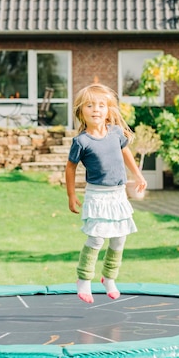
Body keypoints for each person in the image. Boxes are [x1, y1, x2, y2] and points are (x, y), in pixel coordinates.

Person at [65, 83, 147, 303]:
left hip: (118, 193)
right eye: (90, 105)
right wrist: (71, 195)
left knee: (119, 239)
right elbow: (70, 168)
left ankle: (109, 277)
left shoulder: (116, 133)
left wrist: (138, 175)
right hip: (97, 194)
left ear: (108, 110)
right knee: (97, 237)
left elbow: (126, 152)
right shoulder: (81, 141)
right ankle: (83, 279)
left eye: (101, 105)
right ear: (81, 111)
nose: (96, 110)